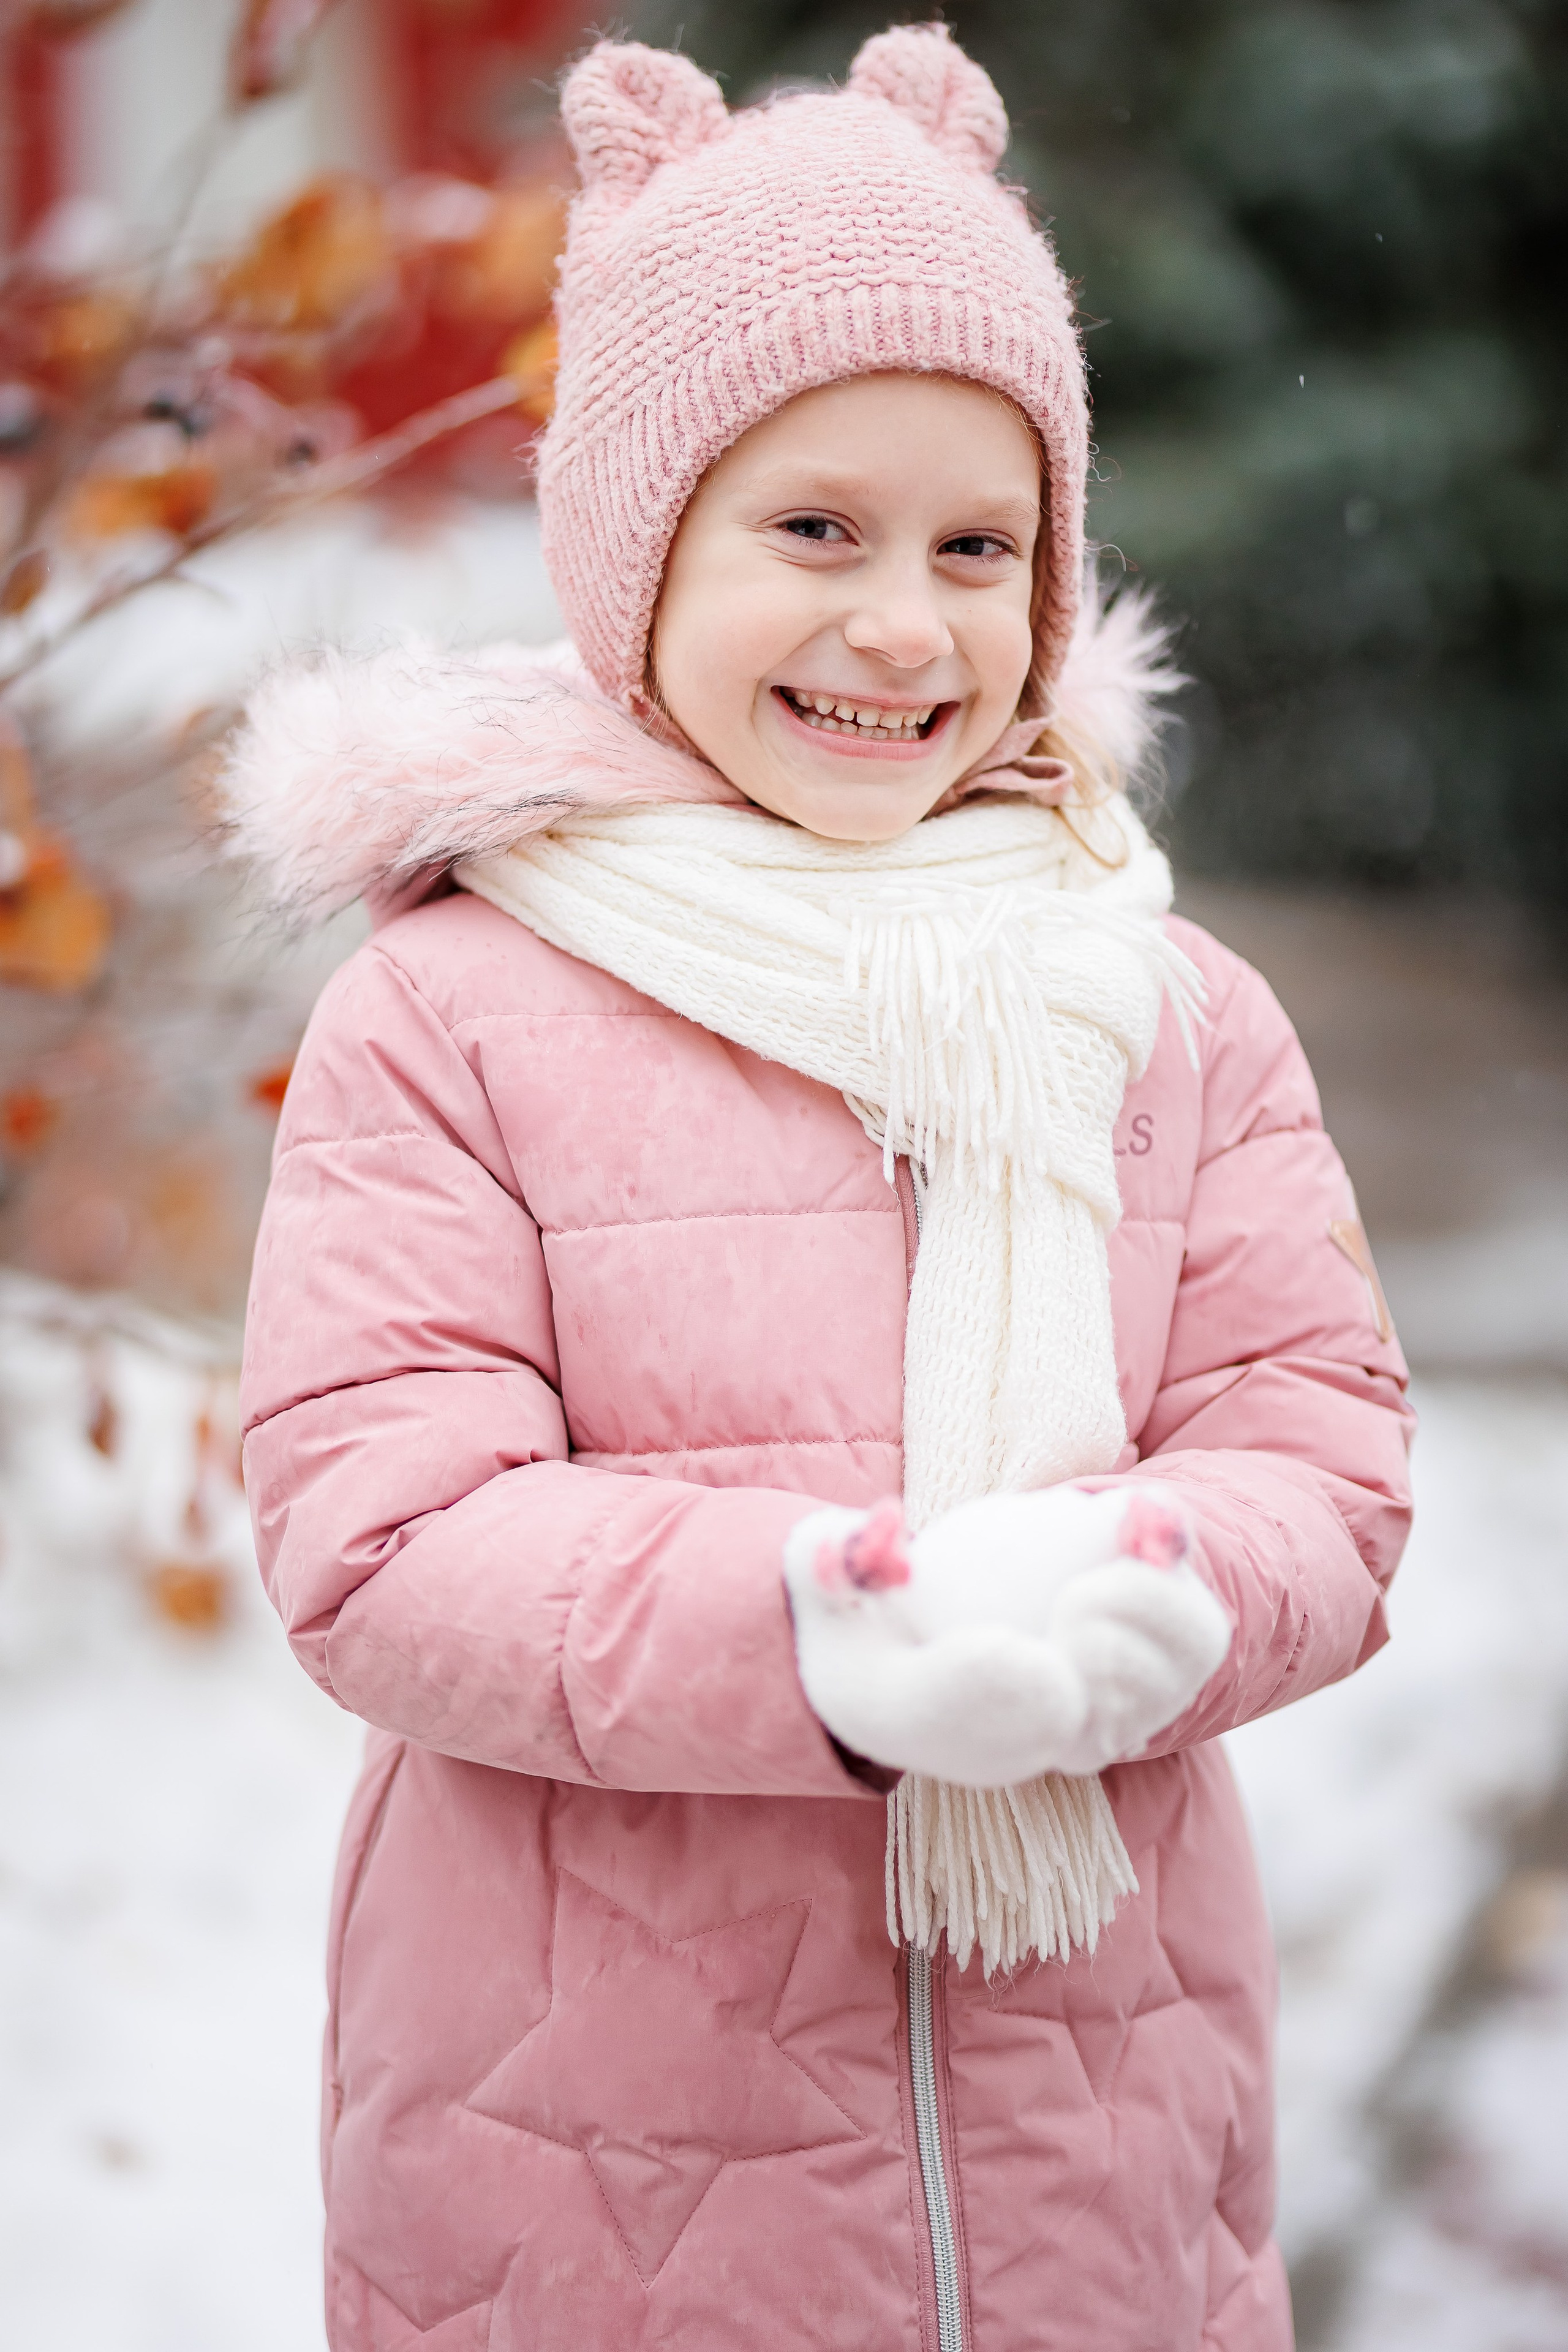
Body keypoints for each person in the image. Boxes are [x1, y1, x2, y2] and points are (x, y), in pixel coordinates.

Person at [225, 28, 1412, 2351]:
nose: (906, 626)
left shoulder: (1151, 997)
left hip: (1107, 2142)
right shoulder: (459, 1011)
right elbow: (380, 1532)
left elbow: (1326, 1449)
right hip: (600, 2178)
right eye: (813, 532)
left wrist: (1175, 1580)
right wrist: (823, 1634)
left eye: (983, 551)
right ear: (637, 548)